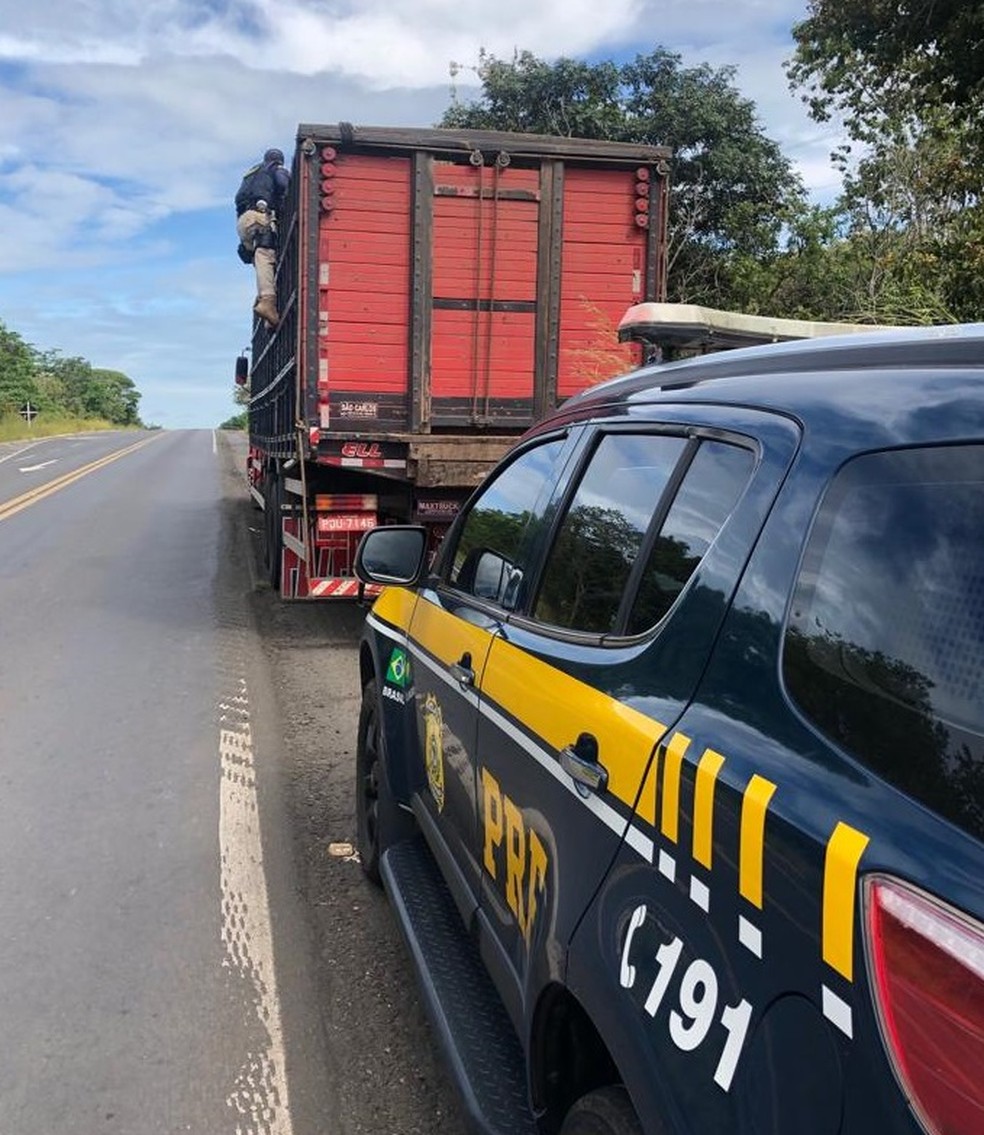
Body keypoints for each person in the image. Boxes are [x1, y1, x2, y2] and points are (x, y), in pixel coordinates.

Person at [235, 148, 290, 329]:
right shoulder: (274, 168)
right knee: (266, 256)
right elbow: (283, 183)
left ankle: (268, 316)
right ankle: (267, 301)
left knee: (260, 262)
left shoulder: (250, 175)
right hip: (259, 216)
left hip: (243, 222)